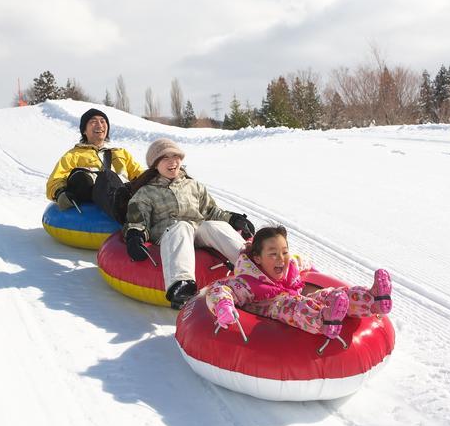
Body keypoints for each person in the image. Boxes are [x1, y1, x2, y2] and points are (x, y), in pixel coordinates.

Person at [123, 138, 256, 309]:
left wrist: (234, 219)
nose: (173, 162)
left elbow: (211, 212)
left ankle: (253, 266)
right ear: (155, 164)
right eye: (165, 158)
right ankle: (181, 284)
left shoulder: (193, 185)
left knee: (214, 226)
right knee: (181, 227)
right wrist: (135, 236)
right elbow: (137, 220)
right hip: (169, 233)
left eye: (176, 156)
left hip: (197, 229)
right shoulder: (146, 192)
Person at [205, 225, 393, 339]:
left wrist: (314, 274)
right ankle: (324, 321)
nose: (281, 259)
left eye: (284, 252)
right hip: (274, 308)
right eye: (273, 254)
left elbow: (304, 262)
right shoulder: (247, 281)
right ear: (257, 258)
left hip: (299, 296)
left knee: (329, 294)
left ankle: (372, 300)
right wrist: (223, 305)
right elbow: (219, 289)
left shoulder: (290, 263)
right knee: (292, 306)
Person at [46, 108, 144, 221]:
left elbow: (139, 174)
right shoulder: (74, 155)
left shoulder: (120, 153)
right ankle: (127, 217)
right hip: (93, 196)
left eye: (103, 121)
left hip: (124, 192)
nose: (99, 125)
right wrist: (60, 193)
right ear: (84, 130)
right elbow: (55, 180)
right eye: (93, 122)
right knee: (94, 176)